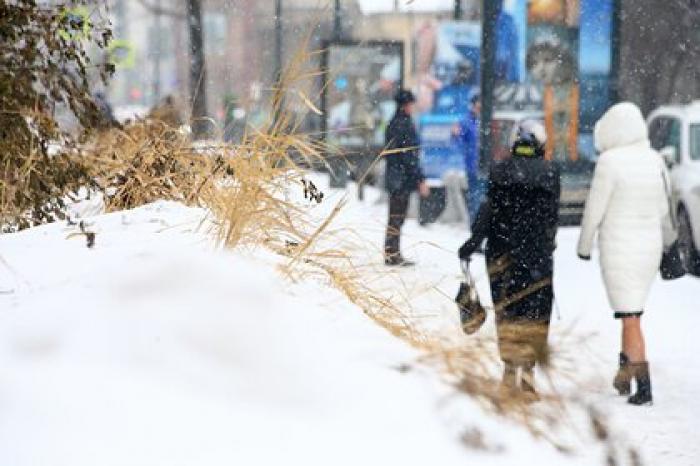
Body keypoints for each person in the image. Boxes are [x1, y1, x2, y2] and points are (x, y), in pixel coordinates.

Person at [577, 102, 675, 406]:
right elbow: (665, 208)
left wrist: (583, 246)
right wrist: (669, 243)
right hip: (648, 249)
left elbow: (595, 210)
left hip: (619, 248)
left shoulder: (610, 162)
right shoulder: (655, 160)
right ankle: (623, 374)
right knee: (630, 314)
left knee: (630, 317)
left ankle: (643, 387)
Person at [458, 120, 560, 401]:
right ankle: (527, 374)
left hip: (503, 256)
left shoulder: (500, 170)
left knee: (507, 312)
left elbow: (488, 213)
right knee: (536, 314)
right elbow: (551, 218)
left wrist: (472, 244)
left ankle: (508, 371)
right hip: (537, 257)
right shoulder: (551, 172)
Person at [384, 89, 430, 266]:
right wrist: (419, 178)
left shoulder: (396, 122)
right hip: (401, 179)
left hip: (397, 177)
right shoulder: (403, 124)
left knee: (395, 217)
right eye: (411, 104)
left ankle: (392, 252)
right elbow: (409, 156)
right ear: (405, 105)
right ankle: (392, 254)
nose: (413, 107)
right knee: (397, 217)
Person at [454, 91, 482, 226]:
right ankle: (475, 223)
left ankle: (480, 223)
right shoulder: (466, 121)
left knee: (481, 195)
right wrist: (455, 135)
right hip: (472, 165)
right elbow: (459, 142)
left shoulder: (484, 120)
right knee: (475, 195)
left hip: (484, 164)